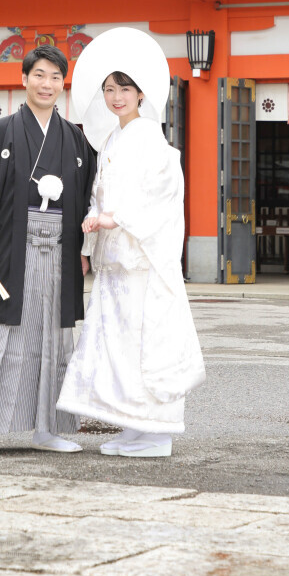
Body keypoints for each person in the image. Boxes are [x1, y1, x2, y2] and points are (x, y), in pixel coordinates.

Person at [58, 27, 205, 458]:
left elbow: (159, 195)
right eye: (108, 89)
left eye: (124, 87)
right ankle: (134, 426)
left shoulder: (151, 139)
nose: (116, 96)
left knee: (145, 340)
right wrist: (92, 225)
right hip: (115, 258)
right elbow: (99, 195)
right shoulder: (112, 141)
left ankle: (157, 432)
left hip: (141, 259)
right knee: (116, 343)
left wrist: (114, 217)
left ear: (141, 93)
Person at [0, 45, 95, 456]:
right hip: (10, 250)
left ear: (62, 84)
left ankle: (49, 429)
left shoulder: (75, 141)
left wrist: (84, 249)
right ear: (24, 79)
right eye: (40, 75)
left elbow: (83, 200)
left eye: (55, 77)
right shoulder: (1, 133)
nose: (47, 84)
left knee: (55, 340)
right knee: (1, 337)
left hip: (61, 253)